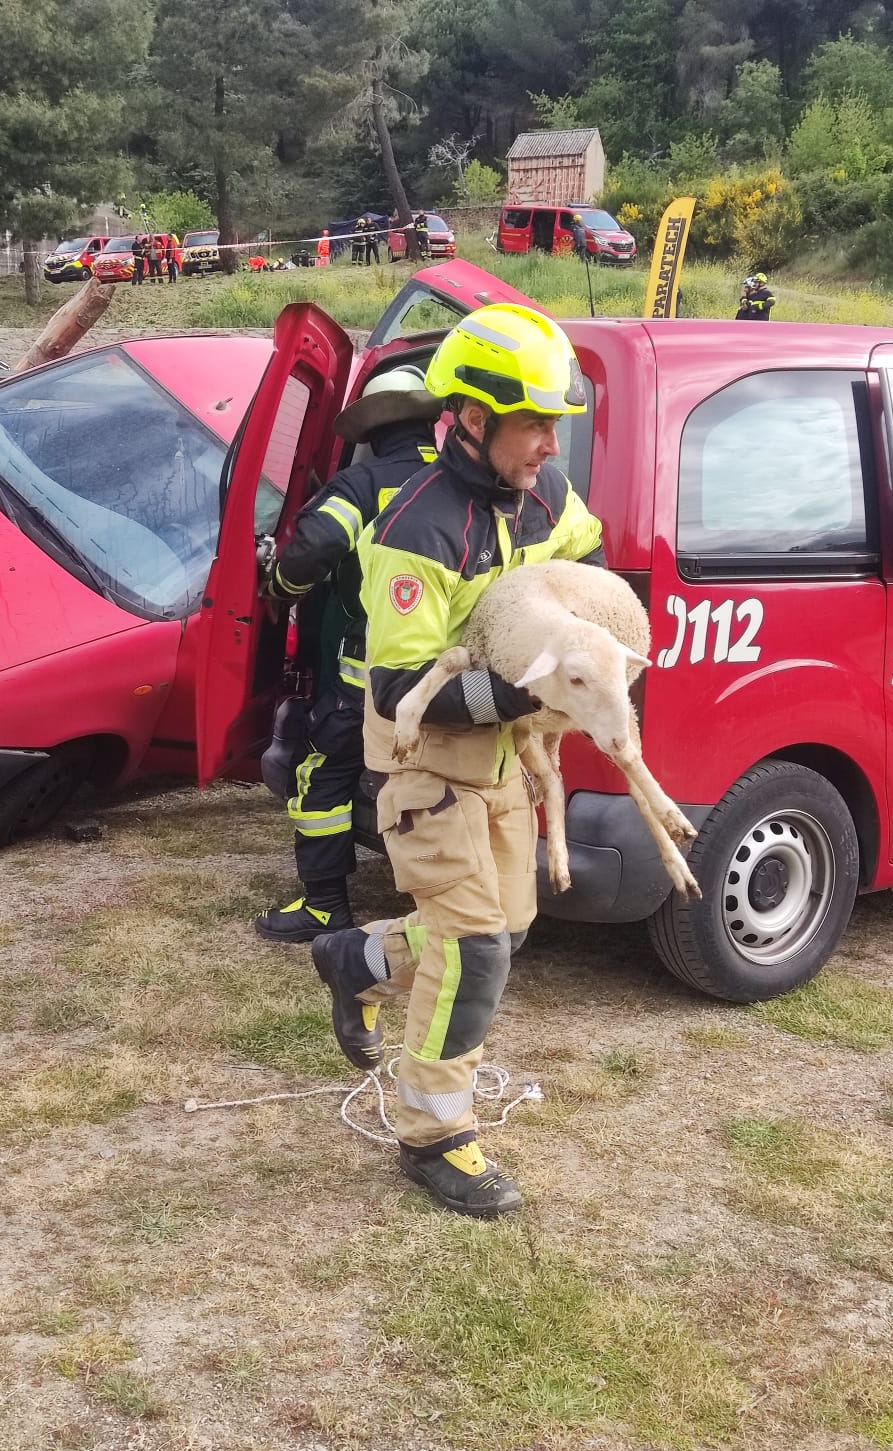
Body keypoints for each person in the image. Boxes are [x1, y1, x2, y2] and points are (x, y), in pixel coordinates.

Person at [310, 305, 604, 1218]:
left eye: (556, 425)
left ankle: (356, 958)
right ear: (471, 420)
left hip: (502, 764)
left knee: (506, 933)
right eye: (531, 425)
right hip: (423, 764)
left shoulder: (548, 498)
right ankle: (435, 1133)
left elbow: (583, 570)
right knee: (476, 951)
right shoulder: (417, 531)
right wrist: (528, 690)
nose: (550, 447)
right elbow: (402, 690)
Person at [256, 367, 444, 943]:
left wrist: (278, 588)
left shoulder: (362, 486)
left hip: (368, 674)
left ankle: (324, 907)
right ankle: (447, 911)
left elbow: (315, 547)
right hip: (452, 679)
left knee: (323, 777)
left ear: (373, 429)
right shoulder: (454, 483)